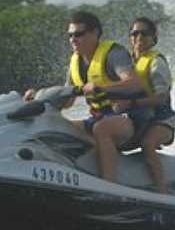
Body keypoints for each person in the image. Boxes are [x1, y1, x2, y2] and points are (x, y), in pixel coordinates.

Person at [25, 11, 142, 183]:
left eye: (79, 34)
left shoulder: (114, 53)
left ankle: (109, 186)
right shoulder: (75, 63)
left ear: (95, 33)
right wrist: (36, 99)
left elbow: (134, 83)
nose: (73, 39)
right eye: (70, 35)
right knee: (55, 127)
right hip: (97, 119)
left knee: (101, 128)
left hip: (131, 120)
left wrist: (100, 87)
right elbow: (67, 101)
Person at [125, 16, 175, 194]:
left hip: (161, 121)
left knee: (147, 144)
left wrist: (131, 102)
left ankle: (162, 193)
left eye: (144, 34)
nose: (139, 37)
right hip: (136, 121)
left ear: (153, 38)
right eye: (135, 33)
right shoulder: (125, 64)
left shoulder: (156, 63)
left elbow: (161, 98)